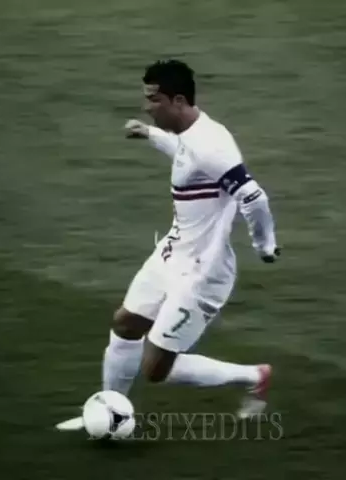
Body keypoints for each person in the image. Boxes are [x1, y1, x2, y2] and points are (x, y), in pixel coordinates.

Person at [102, 59, 280, 418]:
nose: (147, 107)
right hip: (173, 252)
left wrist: (265, 246)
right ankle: (110, 411)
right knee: (126, 324)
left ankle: (254, 376)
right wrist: (151, 134)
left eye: (153, 100)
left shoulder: (211, 144)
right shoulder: (191, 136)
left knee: (155, 368)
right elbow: (188, 157)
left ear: (178, 100)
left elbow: (253, 197)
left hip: (203, 272)